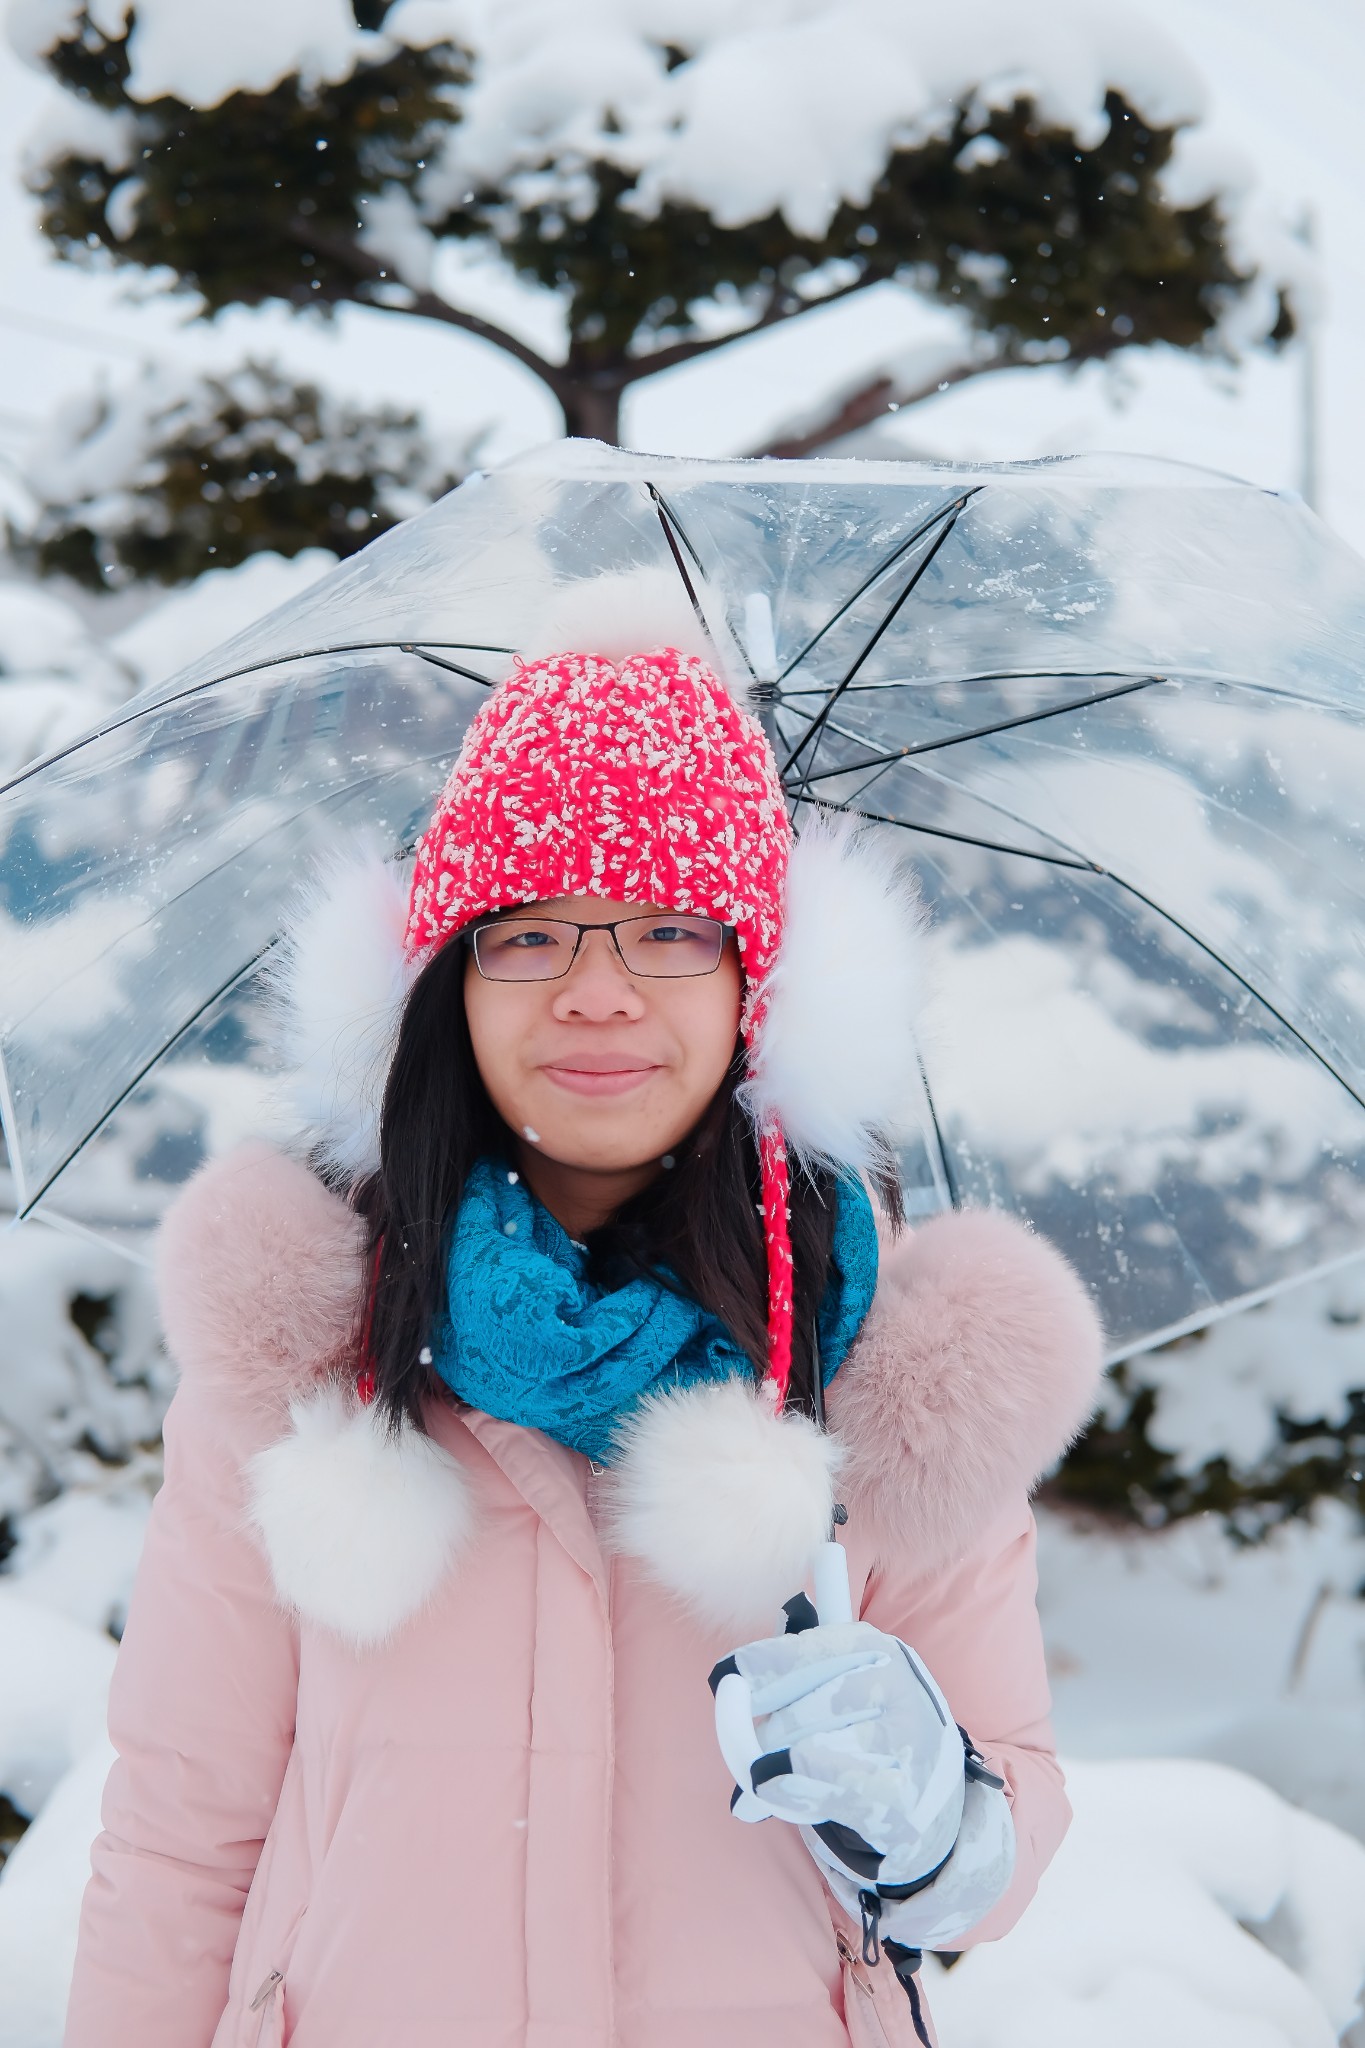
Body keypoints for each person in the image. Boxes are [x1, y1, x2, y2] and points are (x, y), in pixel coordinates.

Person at [63, 634, 1102, 2048]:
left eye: (670, 928)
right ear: (448, 985)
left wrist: (939, 1820)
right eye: (529, 932)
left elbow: (1007, 1823)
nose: (597, 993)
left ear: (759, 984)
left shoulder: (898, 1369)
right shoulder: (305, 1341)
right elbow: (183, 1830)